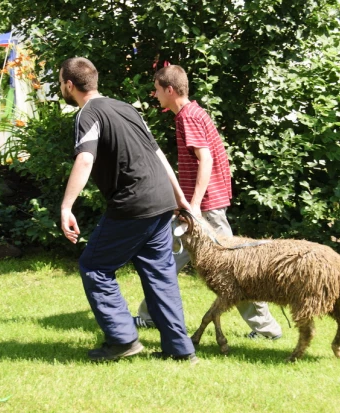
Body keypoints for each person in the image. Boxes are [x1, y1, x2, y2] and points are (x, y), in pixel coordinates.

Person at [58, 57, 197, 363]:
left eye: (60, 83)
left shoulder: (88, 113)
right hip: (161, 199)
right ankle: (181, 350)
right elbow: (159, 155)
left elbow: (85, 159)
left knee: (94, 266)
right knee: (161, 275)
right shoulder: (126, 108)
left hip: (134, 203)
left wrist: (67, 206)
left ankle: (122, 339)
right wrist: (179, 198)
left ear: (70, 85)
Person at [134, 64, 283, 340]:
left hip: (205, 210)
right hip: (201, 208)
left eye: (156, 90)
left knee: (234, 267)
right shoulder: (191, 113)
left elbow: (207, 159)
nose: (154, 95)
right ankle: (149, 315)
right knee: (164, 258)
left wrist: (194, 207)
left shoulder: (188, 117)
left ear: (170, 90)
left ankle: (267, 329)